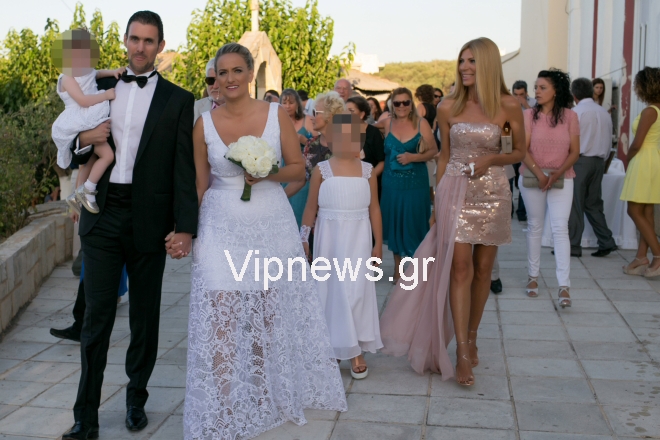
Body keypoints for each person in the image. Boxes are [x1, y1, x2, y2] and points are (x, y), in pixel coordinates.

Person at [185, 42, 346, 440]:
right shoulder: (203, 124)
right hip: (220, 226)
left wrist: (265, 174)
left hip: (270, 225)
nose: (229, 79)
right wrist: (188, 231)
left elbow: (298, 170)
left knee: (266, 313)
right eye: (222, 72)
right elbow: (199, 185)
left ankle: (262, 392)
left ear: (250, 74)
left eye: (237, 70)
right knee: (221, 317)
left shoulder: (276, 115)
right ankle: (224, 404)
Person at [60, 12, 199, 440]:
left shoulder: (179, 100)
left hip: (150, 220)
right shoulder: (98, 88)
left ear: (160, 46)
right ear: (124, 40)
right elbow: (72, 141)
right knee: (95, 319)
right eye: (135, 39)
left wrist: (185, 227)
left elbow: (183, 169)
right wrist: (82, 140)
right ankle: (85, 416)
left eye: (149, 41)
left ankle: (136, 398)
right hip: (102, 214)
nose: (140, 47)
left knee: (144, 317)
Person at [380, 37, 524, 387]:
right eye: (461, 61)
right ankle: (459, 350)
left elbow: (518, 151)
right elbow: (444, 156)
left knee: (483, 271)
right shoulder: (447, 107)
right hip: (454, 192)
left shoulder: (508, 105)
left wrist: (492, 159)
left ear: (487, 64)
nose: (464, 67)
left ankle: (472, 337)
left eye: (471, 61)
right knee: (459, 268)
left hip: (493, 193)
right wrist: (436, 199)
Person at [300, 112, 383, 379]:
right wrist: (304, 238)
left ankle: (355, 348)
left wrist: (378, 244)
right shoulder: (321, 171)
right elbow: (310, 207)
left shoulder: (367, 171)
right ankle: (336, 346)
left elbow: (374, 209)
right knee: (333, 291)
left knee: (356, 291)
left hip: (359, 239)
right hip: (330, 241)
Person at [520, 69, 579, 308]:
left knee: (560, 228)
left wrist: (556, 174)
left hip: (562, 177)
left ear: (556, 91)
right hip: (533, 177)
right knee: (535, 226)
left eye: (542, 87)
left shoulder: (570, 117)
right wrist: (540, 174)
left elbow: (575, 151)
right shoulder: (528, 115)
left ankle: (564, 286)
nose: (537, 91)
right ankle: (532, 277)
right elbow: (522, 149)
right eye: (536, 87)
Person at [51, 28, 126, 215]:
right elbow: (83, 100)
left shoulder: (86, 72)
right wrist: (106, 95)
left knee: (92, 159)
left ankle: (77, 194)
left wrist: (114, 72)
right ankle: (88, 190)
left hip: (91, 116)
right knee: (107, 156)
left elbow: (97, 73)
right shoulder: (67, 78)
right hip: (81, 119)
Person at [380, 87, 438, 281]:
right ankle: (397, 269)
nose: (402, 106)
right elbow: (362, 127)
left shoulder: (421, 123)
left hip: (415, 183)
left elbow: (433, 151)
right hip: (391, 184)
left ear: (411, 104)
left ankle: (416, 266)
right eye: (397, 103)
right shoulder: (386, 123)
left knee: (415, 222)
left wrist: (413, 157)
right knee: (395, 223)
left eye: (406, 102)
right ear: (392, 105)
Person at [568, 78, 617, 257]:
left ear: (574, 95)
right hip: (599, 162)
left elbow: (570, 140)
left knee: (576, 204)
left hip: (581, 160)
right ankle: (606, 241)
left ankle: (573, 245)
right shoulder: (603, 112)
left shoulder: (576, 112)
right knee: (594, 204)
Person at [620, 67, 660, 277]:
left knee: (634, 210)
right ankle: (641, 257)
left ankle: (658, 255)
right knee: (646, 212)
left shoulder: (650, 111)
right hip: (653, 158)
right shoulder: (657, 109)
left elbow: (637, 143)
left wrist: (628, 158)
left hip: (643, 159)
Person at [285, 92, 345, 232]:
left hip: (339, 216)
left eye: (315, 113)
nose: (311, 117)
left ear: (330, 116)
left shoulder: (346, 146)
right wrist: (278, 196)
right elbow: (301, 179)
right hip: (314, 216)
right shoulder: (310, 145)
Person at [280, 88, 315, 225]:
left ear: (298, 104)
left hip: (302, 169)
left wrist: (303, 140)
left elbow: (318, 146)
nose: (287, 106)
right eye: (284, 103)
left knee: (299, 206)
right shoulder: (276, 122)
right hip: (282, 168)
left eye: (291, 102)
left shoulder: (307, 120)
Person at [346, 96, 385, 176]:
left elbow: (382, 162)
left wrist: (369, 178)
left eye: (351, 111)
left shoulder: (373, 133)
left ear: (362, 114)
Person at [415, 84, 439, 200]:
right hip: (431, 137)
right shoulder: (433, 108)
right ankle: (433, 202)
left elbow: (416, 123)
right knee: (430, 174)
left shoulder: (421, 106)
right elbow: (434, 126)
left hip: (422, 138)